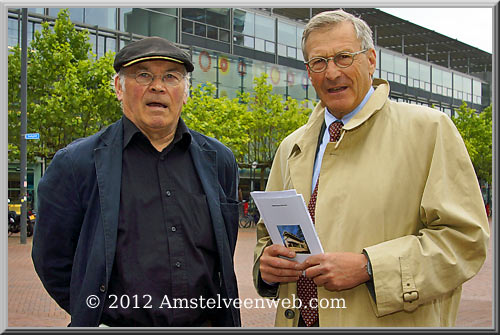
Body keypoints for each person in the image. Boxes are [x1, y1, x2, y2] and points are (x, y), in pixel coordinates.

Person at [253, 10, 489, 327]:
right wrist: (266, 267)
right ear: (309, 72)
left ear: (371, 60)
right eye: (318, 62)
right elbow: (267, 236)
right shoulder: (290, 147)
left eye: (344, 57)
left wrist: (370, 268)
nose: (331, 72)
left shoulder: (429, 131)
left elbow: (464, 240)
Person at [32, 36, 241, 327]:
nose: (158, 86)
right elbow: (52, 260)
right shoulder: (75, 164)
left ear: (185, 91)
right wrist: (95, 312)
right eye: (143, 75)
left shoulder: (219, 160)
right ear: (119, 87)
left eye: (171, 76)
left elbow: (223, 249)